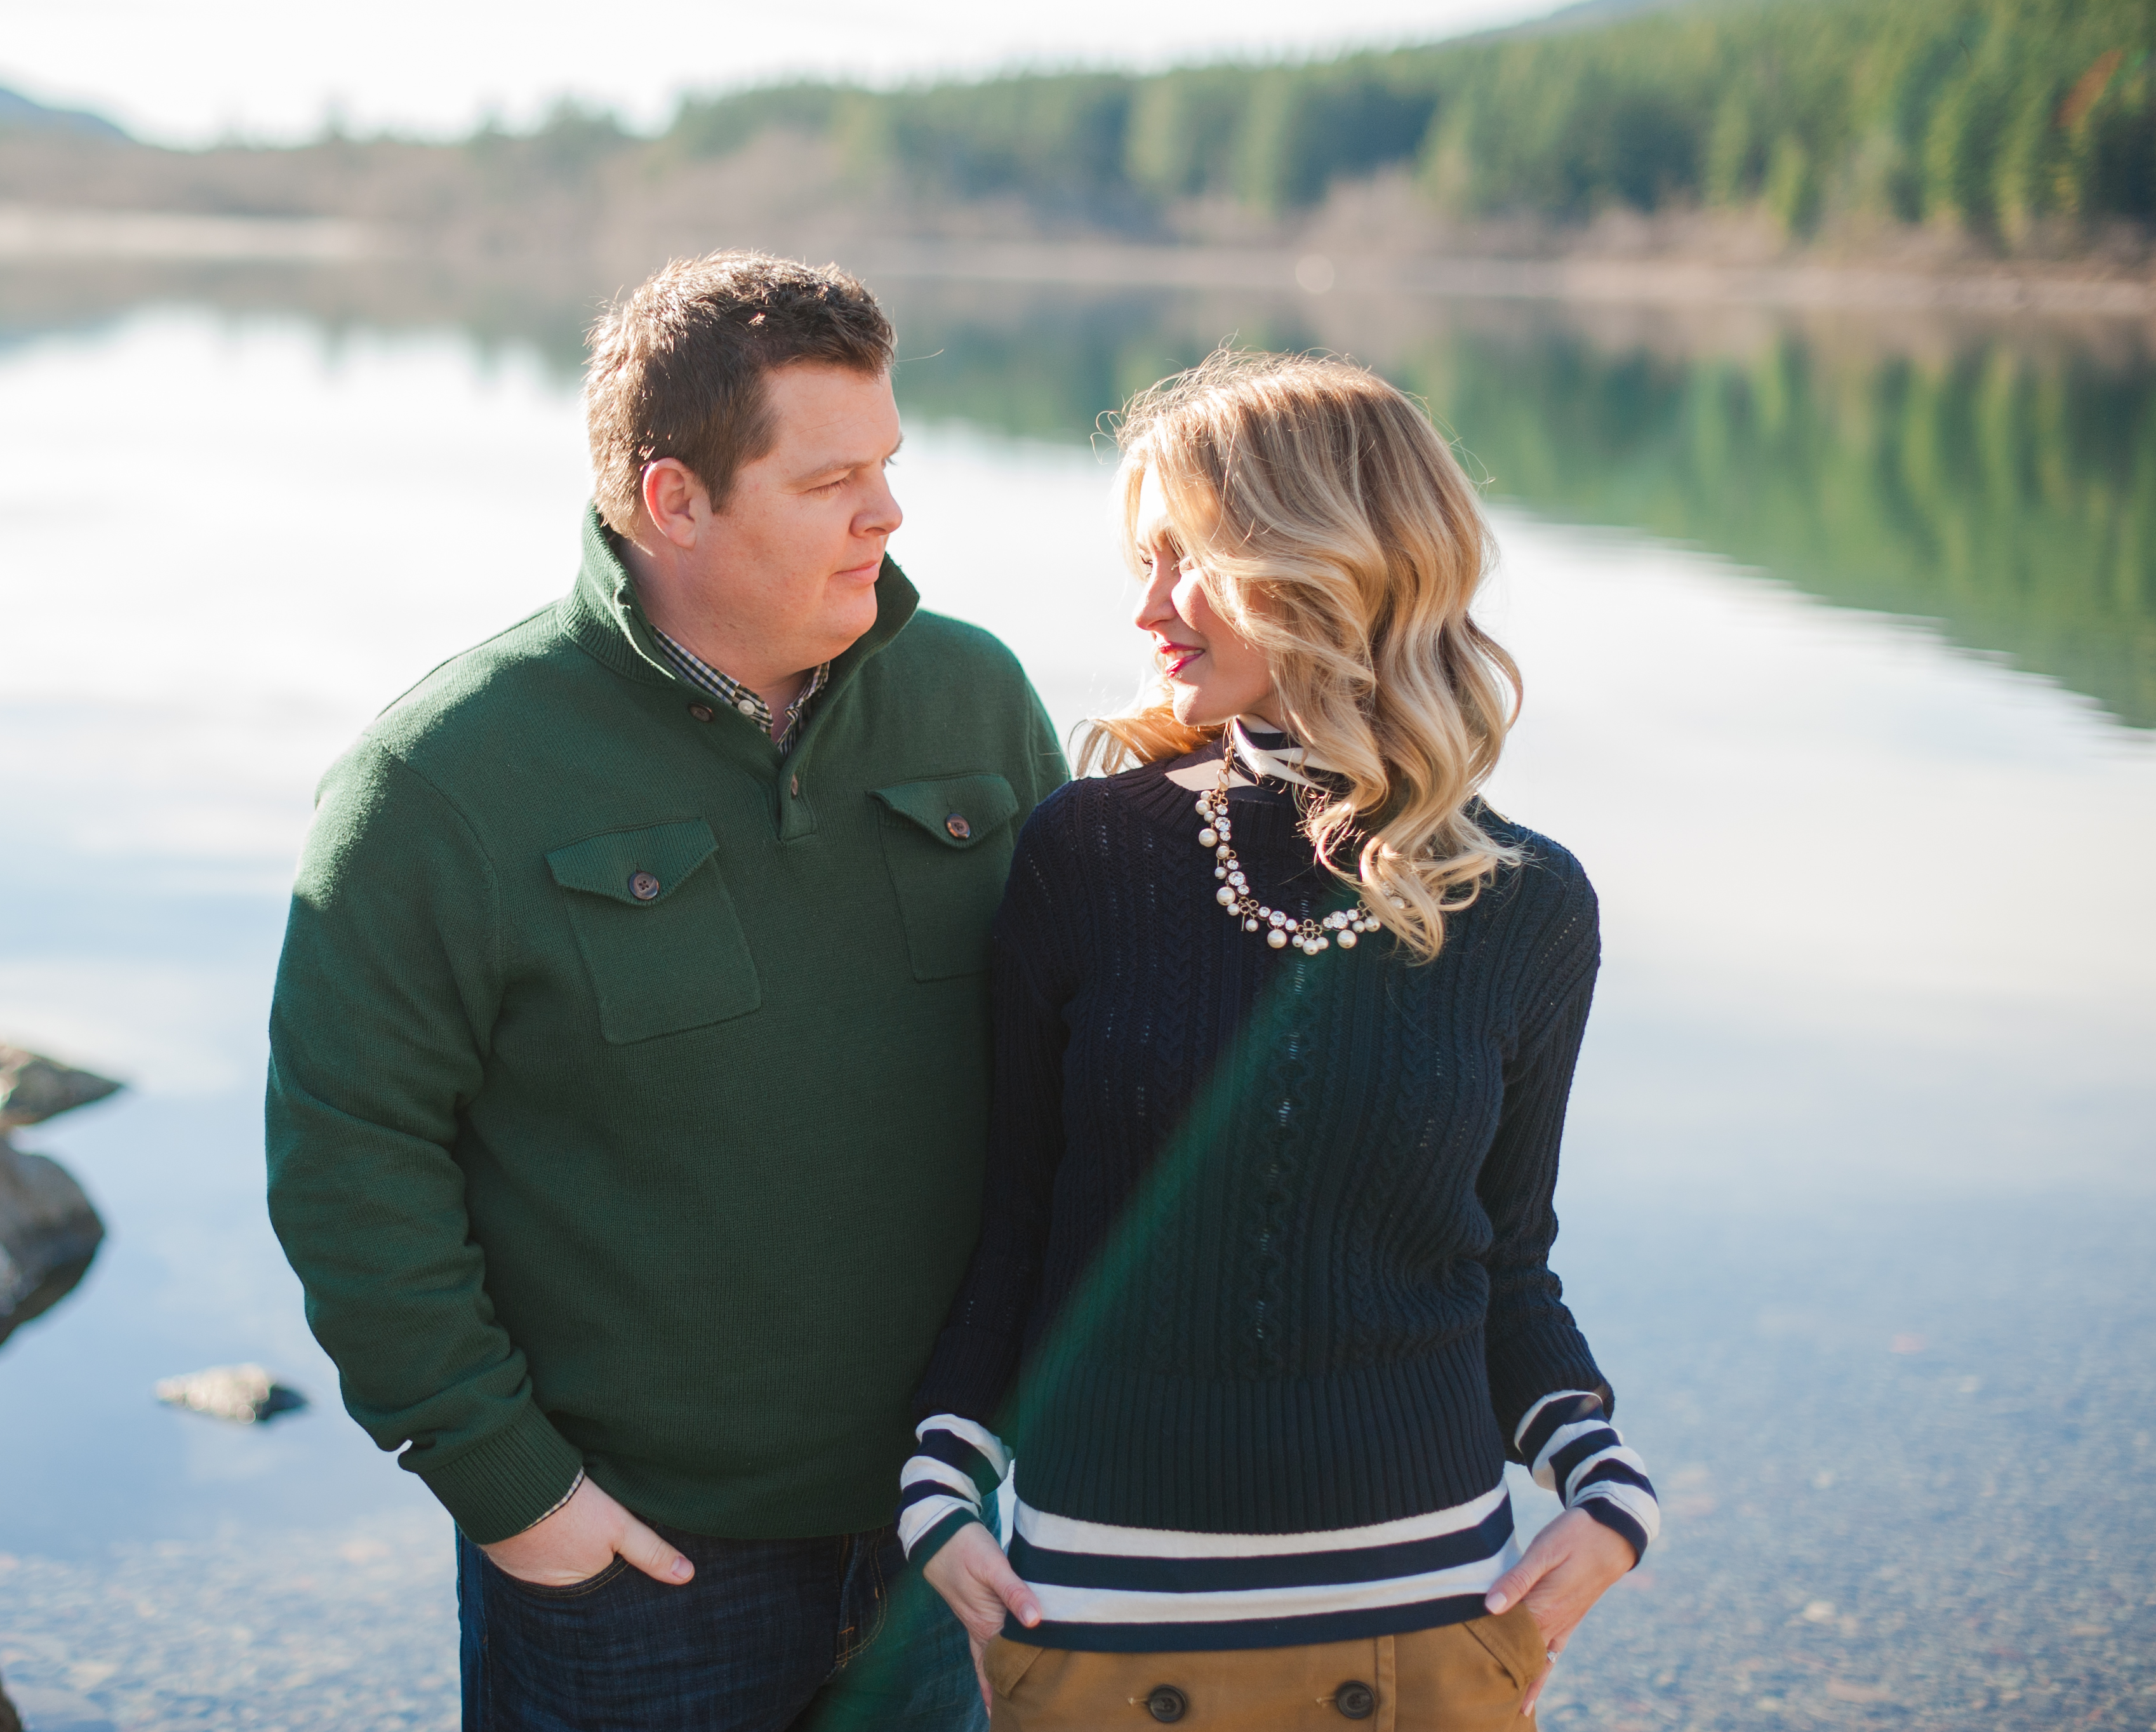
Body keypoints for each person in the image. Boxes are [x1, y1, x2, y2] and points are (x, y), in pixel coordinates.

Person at [265, 251, 1067, 1732]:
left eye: (888, 466)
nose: (887, 515)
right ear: (672, 500)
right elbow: (348, 1166)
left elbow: (1073, 1067)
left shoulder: (977, 702)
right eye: (831, 482)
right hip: (634, 1568)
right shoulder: (439, 782)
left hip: (939, 1535)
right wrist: (517, 1497)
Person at [901, 351, 1658, 1729]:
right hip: (1101, 1605)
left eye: (1182, 561)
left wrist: (1605, 1493)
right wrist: (939, 1490)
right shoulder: (1088, 854)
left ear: (1319, 563)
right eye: (1141, 563)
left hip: (1433, 1607)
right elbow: (1013, 1223)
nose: (1144, 611)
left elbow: (1505, 1258)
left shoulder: (1525, 901)